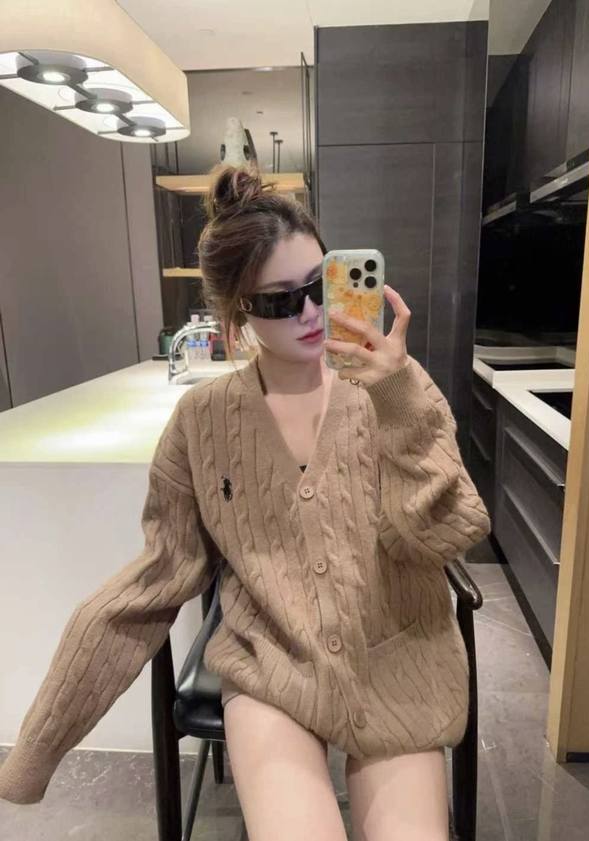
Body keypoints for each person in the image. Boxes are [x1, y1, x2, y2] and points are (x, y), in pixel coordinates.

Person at [0, 163, 491, 841]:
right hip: (272, 665)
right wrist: (39, 745)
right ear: (237, 312)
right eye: (281, 302)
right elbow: (151, 583)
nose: (311, 313)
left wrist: (399, 396)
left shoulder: (392, 390)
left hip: (396, 655)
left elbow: (447, 534)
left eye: (319, 286)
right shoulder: (202, 422)